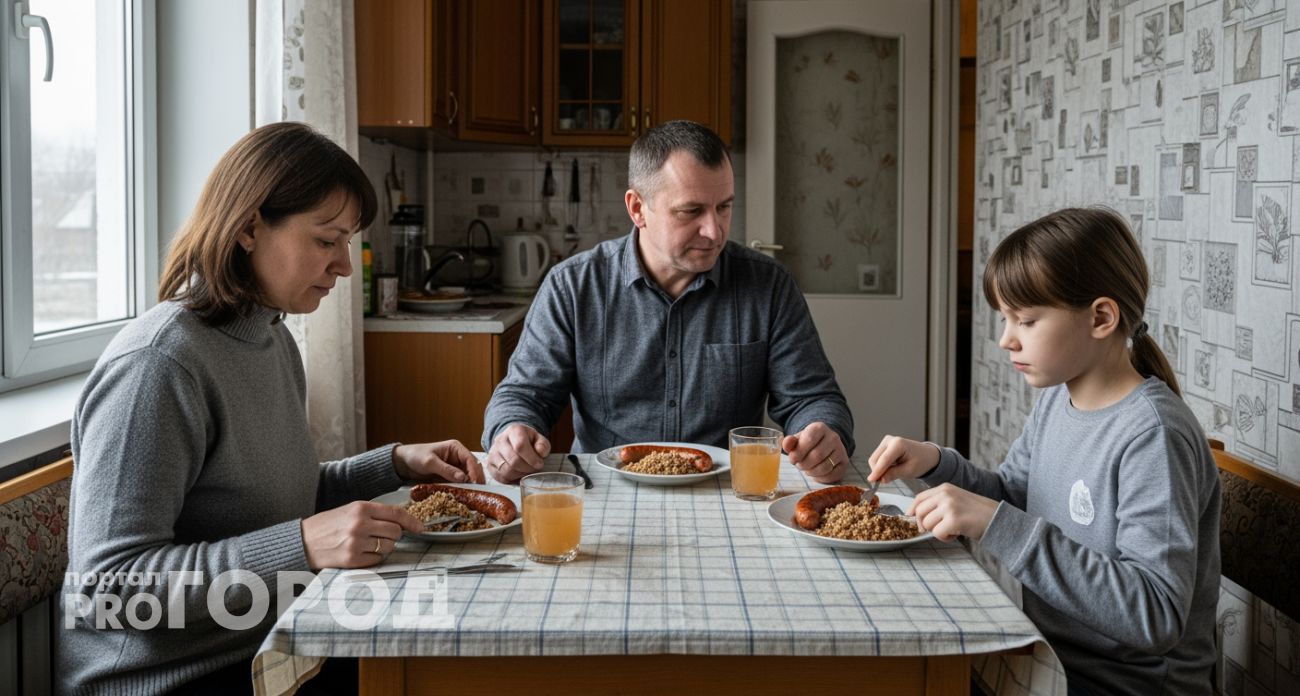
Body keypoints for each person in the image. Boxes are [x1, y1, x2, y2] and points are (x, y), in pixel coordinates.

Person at [58, 122, 483, 695]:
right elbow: (107, 589)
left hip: (273, 640)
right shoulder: (157, 366)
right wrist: (302, 545)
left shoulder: (272, 338)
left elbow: (273, 498)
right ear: (248, 228)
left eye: (348, 242)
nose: (345, 266)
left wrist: (395, 464)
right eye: (327, 240)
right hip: (171, 677)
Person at [867, 208, 1220, 695]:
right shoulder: (1058, 399)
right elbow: (1014, 497)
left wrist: (993, 521)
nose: (1005, 339)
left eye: (1026, 320)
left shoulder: (1153, 436)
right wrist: (936, 462)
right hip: (1048, 662)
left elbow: (1155, 613)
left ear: (1101, 317)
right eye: (1006, 319)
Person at [482, 120, 854, 484]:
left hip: (727, 493)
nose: (714, 231)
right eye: (691, 211)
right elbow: (523, 394)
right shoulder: (573, 286)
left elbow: (812, 397)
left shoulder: (770, 285)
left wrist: (823, 431)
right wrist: (510, 431)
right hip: (604, 492)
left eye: (724, 207)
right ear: (637, 208)